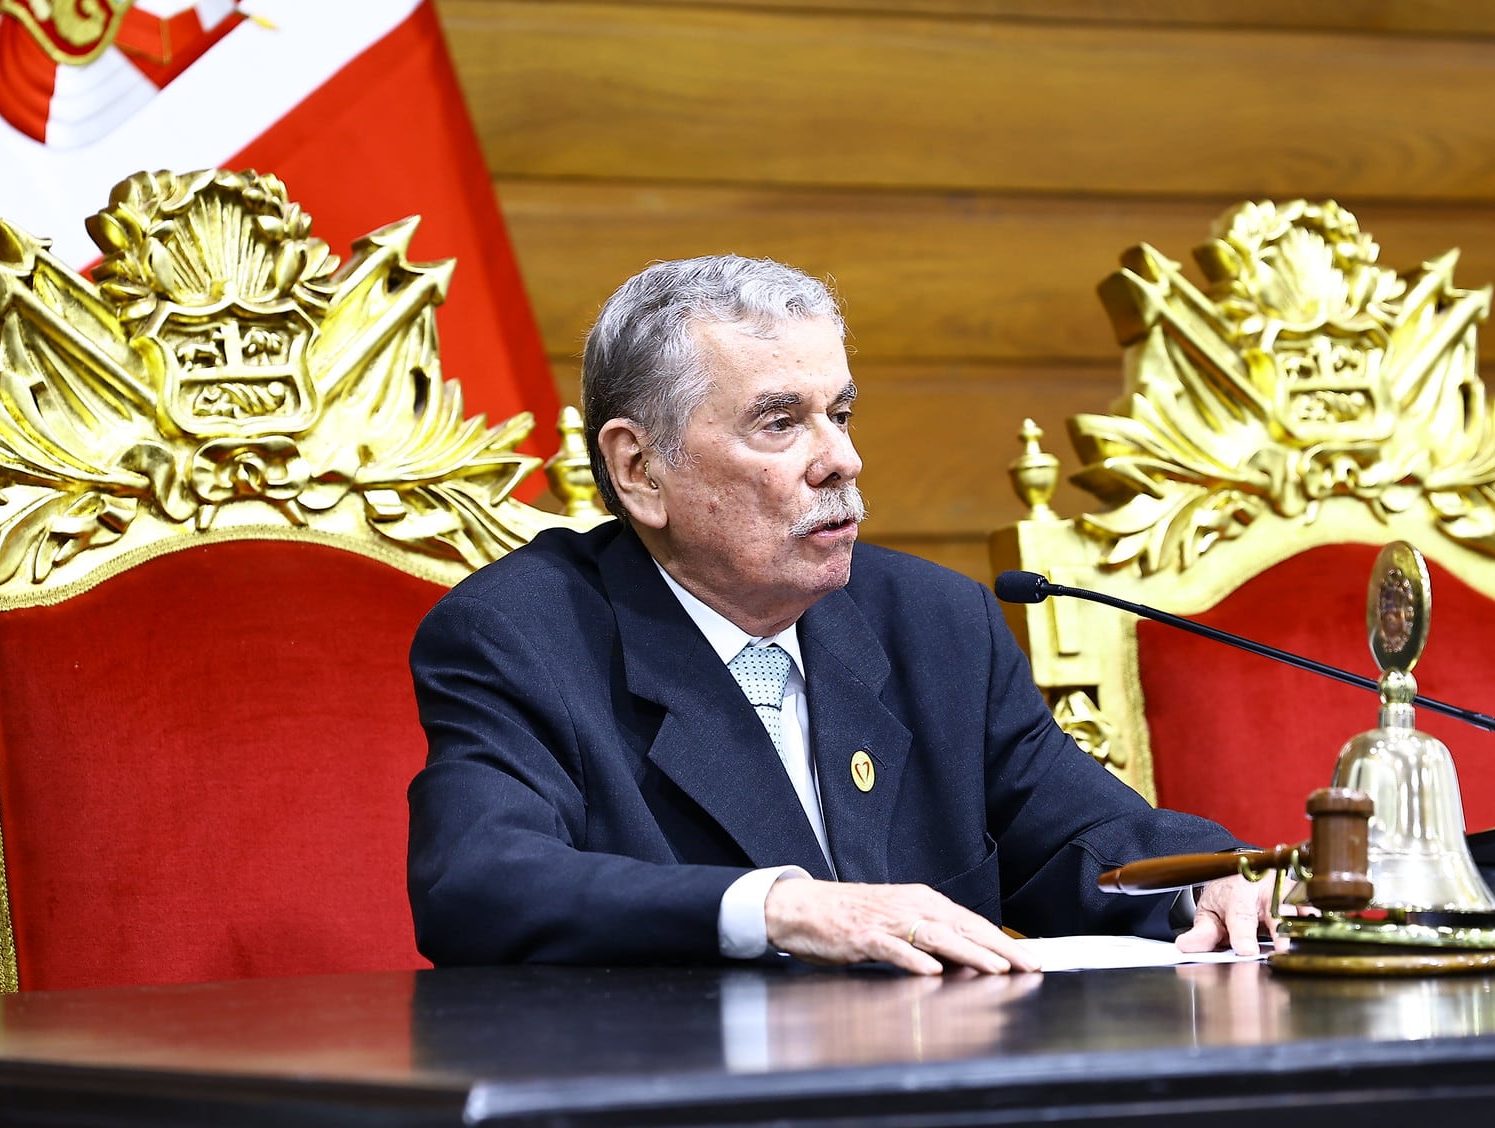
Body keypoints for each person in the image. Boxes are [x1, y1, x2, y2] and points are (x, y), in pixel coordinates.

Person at [406, 255, 1276, 973]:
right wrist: (780, 908)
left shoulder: (934, 623)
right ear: (639, 469)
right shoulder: (521, 635)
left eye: (842, 413)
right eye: (780, 423)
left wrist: (1207, 879)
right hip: (692, 1107)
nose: (842, 459)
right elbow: (479, 883)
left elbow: (1082, 833)